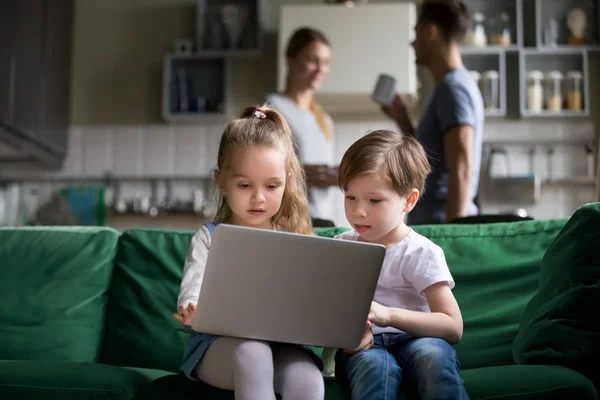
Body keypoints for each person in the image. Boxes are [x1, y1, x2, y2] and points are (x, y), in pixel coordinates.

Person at [172, 105, 325, 400]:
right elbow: (193, 286)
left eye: (271, 186)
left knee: (307, 380)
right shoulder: (209, 238)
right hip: (219, 348)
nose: (258, 198)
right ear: (221, 181)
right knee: (253, 353)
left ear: (286, 181)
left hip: (282, 346)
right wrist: (192, 305)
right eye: (244, 185)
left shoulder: (296, 241)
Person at [333, 130, 469, 399]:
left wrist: (389, 315)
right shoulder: (341, 247)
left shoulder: (421, 252)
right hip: (366, 346)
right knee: (373, 368)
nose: (359, 211)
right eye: (350, 197)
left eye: (374, 200)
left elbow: (452, 326)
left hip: (418, 338)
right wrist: (348, 337)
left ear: (409, 200)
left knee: (432, 358)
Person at [382, 0, 484, 224]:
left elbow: (461, 163)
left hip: (442, 226)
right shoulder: (448, 87)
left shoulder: (453, 88)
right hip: (434, 224)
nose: (412, 43)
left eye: (416, 33)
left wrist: (454, 234)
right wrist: (402, 119)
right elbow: (431, 158)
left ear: (430, 32)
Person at [266, 27, 338, 226]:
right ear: (290, 59)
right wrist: (302, 174)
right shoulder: (272, 108)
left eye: (325, 63)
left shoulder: (324, 119)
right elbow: (260, 170)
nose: (320, 69)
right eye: (313, 60)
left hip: (322, 221)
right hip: (288, 221)